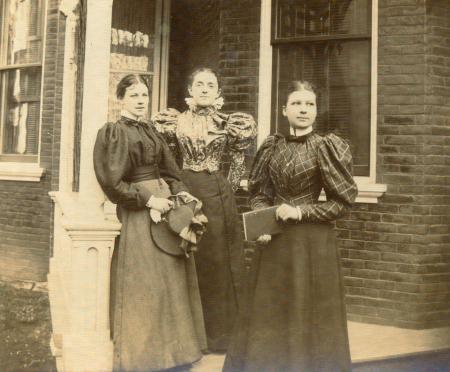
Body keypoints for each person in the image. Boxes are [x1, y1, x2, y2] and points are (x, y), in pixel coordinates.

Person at [223, 80, 358, 372]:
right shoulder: (272, 146)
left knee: (307, 313)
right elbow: (259, 193)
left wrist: (300, 211)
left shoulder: (325, 147)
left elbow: (342, 202)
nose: (303, 109)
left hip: (312, 245)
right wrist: (262, 222)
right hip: (275, 243)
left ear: (316, 110)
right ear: (284, 109)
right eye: (297, 103)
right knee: (270, 313)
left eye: (309, 104)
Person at [93, 74, 206, 371]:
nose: (141, 100)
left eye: (144, 95)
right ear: (121, 99)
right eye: (134, 95)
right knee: (145, 285)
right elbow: (112, 183)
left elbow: (171, 170)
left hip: (166, 209)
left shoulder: (153, 131)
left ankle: (175, 356)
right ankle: (144, 359)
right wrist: (148, 200)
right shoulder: (114, 133)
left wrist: (180, 194)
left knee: (171, 282)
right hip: (139, 212)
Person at [152, 67, 257, 352]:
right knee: (190, 256)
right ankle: (190, 336)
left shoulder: (229, 124)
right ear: (190, 91)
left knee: (220, 259)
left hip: (218, 194)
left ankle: (221, 335)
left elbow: (237, 163)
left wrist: (227, 191)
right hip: (187, 189)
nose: (205, 89)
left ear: (219, 92)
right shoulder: (174, 122)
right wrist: (177, 191)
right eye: (199, 84)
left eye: (211, 85)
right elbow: (170, 162)